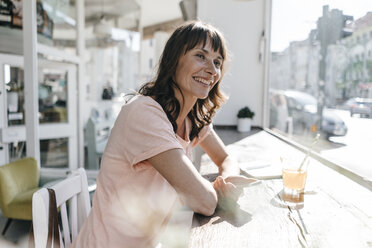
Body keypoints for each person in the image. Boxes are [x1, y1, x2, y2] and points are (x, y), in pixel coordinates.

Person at [73, 21, 256, 248]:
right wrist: (219, 193)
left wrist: (225, 182)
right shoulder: (145, 113)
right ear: (174, 60)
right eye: (201, 56)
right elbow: (205, 202)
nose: (212, 69)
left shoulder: (190, 119)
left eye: (217, 62)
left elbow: (226, 158)